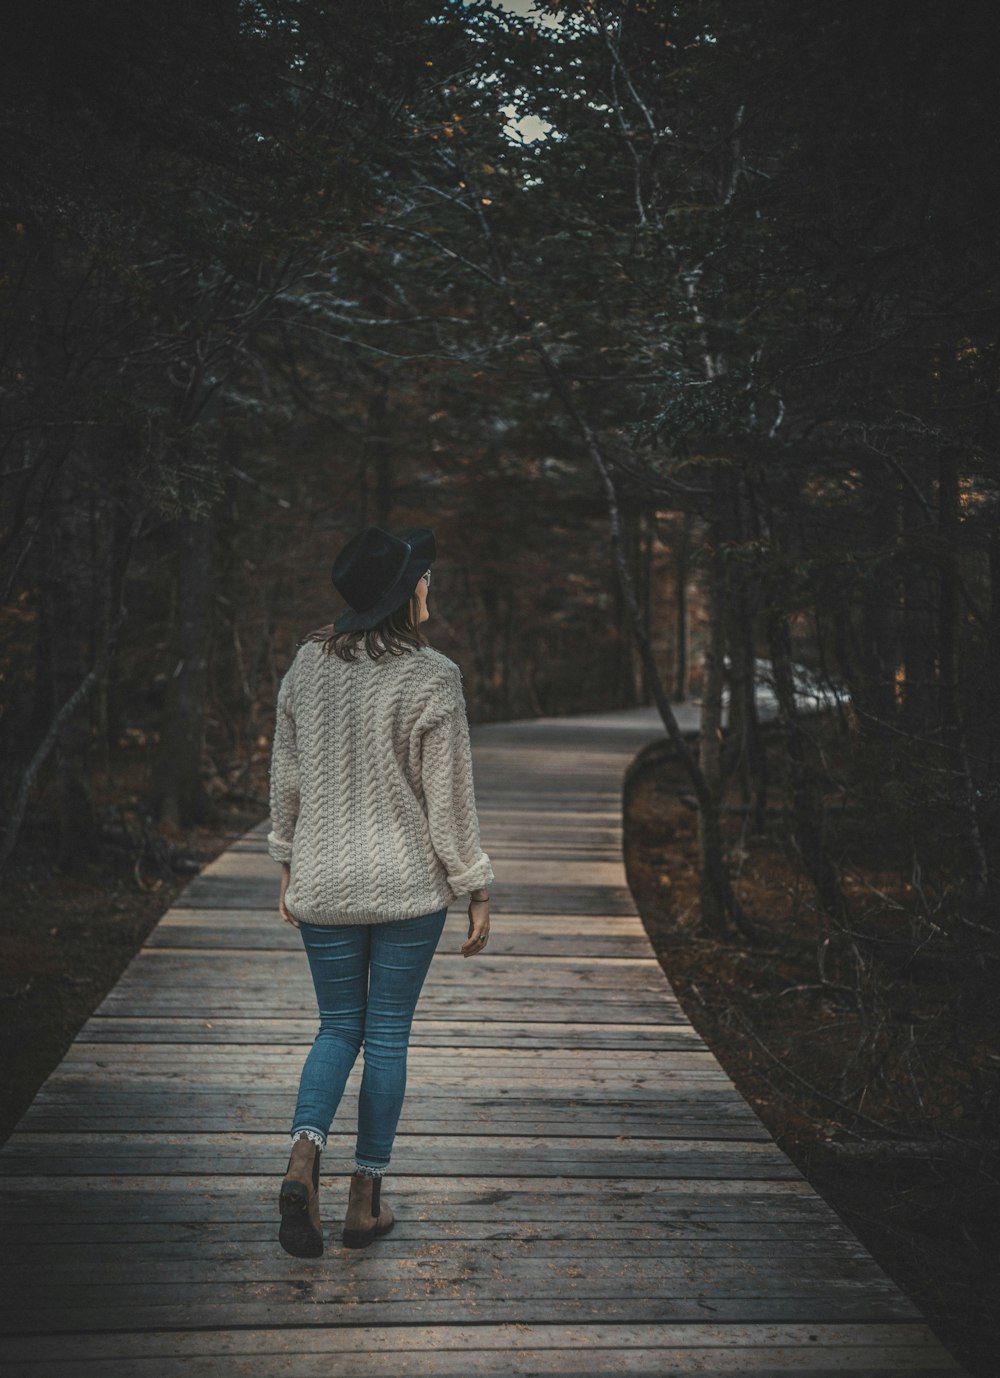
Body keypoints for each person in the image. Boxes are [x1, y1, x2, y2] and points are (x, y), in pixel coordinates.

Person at [266, 525, 494, 1258]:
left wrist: (286, 867)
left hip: (325, 880)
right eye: (423, 576)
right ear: (407, 593)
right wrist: (474, 883)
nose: (429, 584)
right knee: (386, 1034)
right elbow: (448, 798)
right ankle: (364, 1203)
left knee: (337, 1026)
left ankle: (303, 1156)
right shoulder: (433, 676)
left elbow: (287, 779)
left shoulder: (306, 666)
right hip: (407, 888)